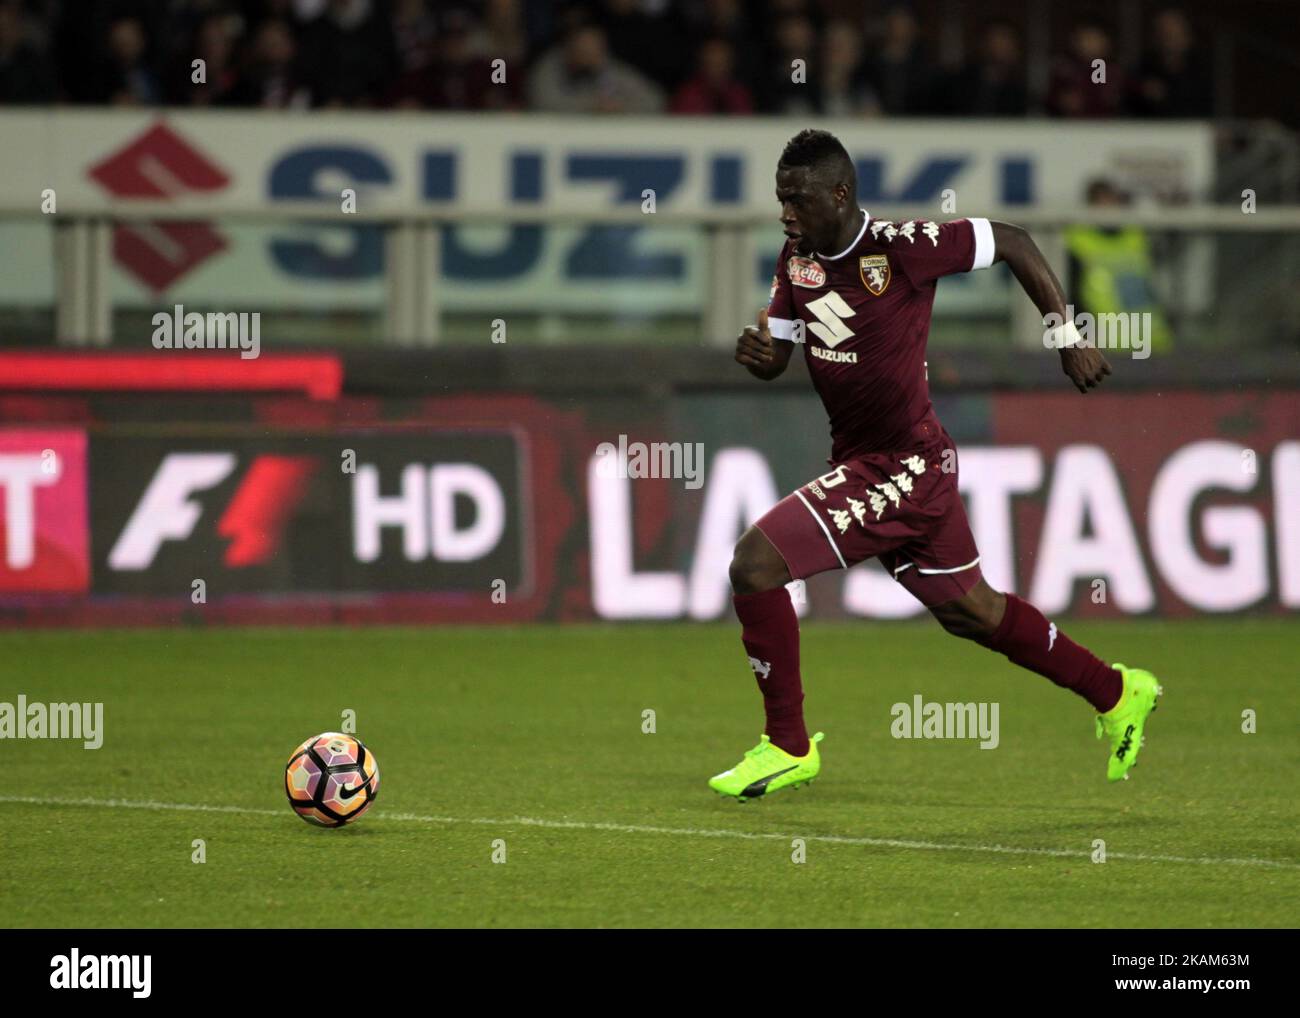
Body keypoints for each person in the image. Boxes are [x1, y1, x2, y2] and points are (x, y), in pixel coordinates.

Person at [712, 130, 1161, 800]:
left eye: (797, 199)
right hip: (875, 460)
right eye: (781, 199)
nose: (786, 213)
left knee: (754, 563)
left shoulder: (901, 249)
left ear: (839, 194)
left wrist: (1067, 336)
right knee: (972, 612)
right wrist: (761, 357)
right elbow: (780, 354)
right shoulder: (796, 259)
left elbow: (1011, 239)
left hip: (903, 464)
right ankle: (1118, 691)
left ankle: (787, 746)